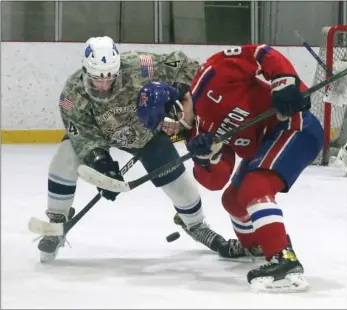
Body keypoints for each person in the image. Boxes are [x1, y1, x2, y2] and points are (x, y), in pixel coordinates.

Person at [136, 44, 324, 292]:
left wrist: (284, 82)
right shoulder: (195, 135)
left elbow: (260, 53)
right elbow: (216, 181)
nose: (166, 130)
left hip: (293, 124)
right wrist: (206, 158)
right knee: (233, 200)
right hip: (265, 144)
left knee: (254, 187)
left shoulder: (211, 75)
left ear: (174, 106)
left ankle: (284, 263)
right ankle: (255, 245)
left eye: (164, 123)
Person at [38, 36, 227, 263]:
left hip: (146, 135)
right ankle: (57, 219)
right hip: (101, 134)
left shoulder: (140, 64)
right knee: (65, 156)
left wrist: (178, 91)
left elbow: (185, 64)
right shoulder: (71, 95)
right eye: (98, 79)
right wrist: (102, 164)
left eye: (110, 77)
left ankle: (195, 225)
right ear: (86, 71)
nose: (105, 85)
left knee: (182, 189)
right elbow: (83, 133)